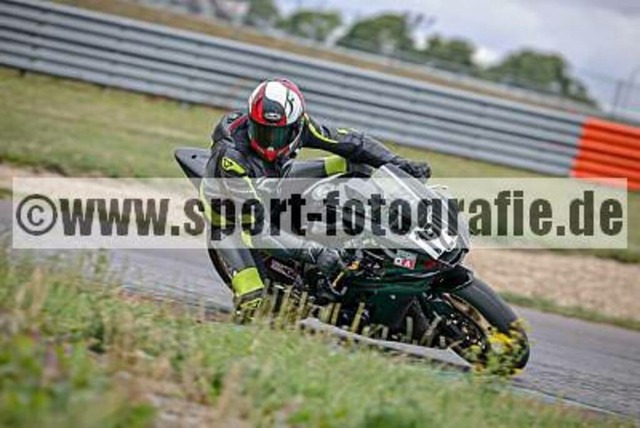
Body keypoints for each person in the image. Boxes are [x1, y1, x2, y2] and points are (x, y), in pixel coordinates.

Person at [201, 78, 430, 313]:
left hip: (273, 181)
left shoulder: (301, 126)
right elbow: (258, 230)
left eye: (278, 135)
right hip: (233, 217)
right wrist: (316, 252)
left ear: (295, 127)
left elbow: (352, 141)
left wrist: (399, 163)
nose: (270, 144)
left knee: (353, 164)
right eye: (263, 133)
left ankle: (365, 228)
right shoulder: (232, 157)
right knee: (253, 301)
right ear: (251, 122)